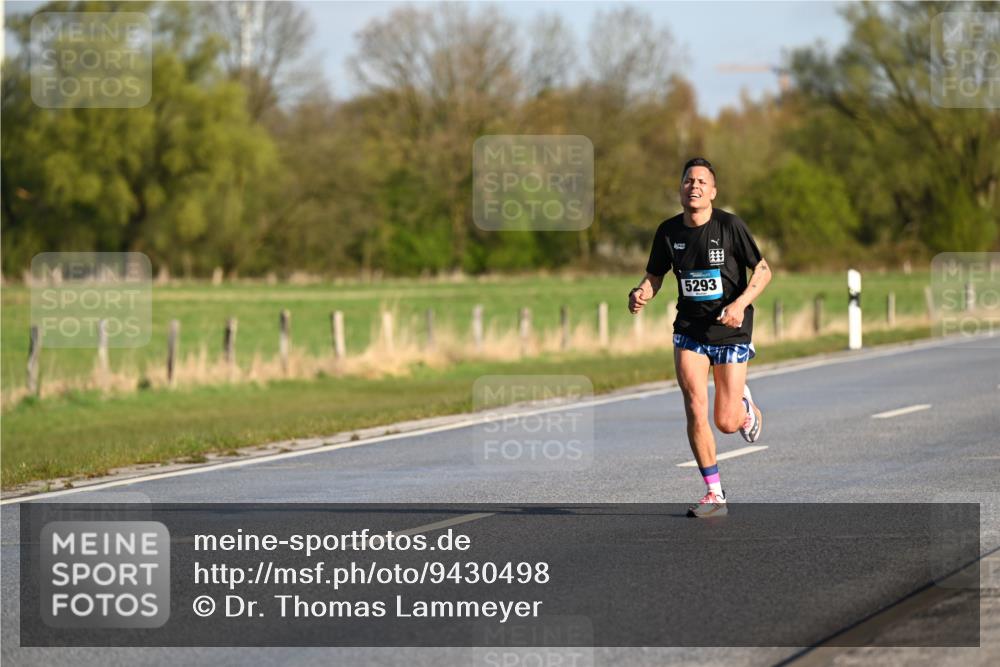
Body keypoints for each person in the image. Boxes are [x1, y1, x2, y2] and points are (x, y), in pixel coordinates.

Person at [628, 157, 771, 518]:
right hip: (689, 329)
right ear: (680, 189)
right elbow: (655, 276)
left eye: (702, 182)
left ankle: (743, 408)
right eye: (688, 181)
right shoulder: (668, 232)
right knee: (694, 404)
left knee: (725, 421)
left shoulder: (730, 226)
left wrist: (740, 303)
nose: (695, 186)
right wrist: (641, 291)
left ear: (713, 191)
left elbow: (764, 270)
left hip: (730, 328)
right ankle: (714, 493)